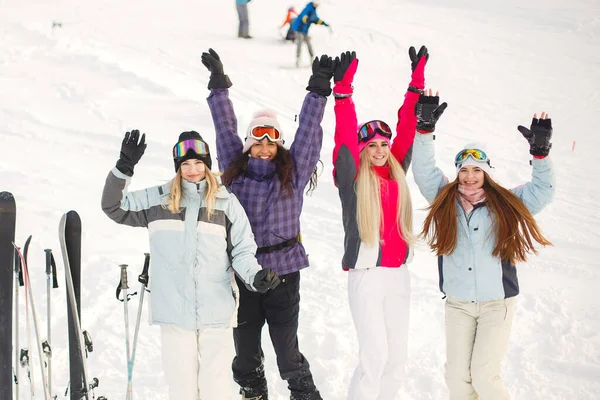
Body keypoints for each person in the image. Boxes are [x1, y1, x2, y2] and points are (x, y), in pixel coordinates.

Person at [101, 129, 281, 399]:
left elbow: (242, 251)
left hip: (216, 310)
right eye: (185, 164)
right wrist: (124, 168)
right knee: (182, 389)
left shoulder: (226, 204)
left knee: (216, 389)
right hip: (174, 311)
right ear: (178, 167)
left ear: (207, 165)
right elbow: (113, 206)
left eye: (198, 163)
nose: (192, 170)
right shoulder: (158, 200)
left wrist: (255, 276)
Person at [201, 47, 336, 400]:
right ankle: (253, 392)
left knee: (285, 345)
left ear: (279, 146)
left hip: (285, 271)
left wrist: (318, 91)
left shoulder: (292, 175)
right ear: (248, 146)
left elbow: (307, 135)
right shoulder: (235, 173)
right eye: (257, 142)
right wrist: (219, 86)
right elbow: (224, 130)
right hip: (244, 271)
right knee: (245, 346)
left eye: (270, 142)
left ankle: (303, 393)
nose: (263, 148)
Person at [411, 92, 555, 399]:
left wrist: (540, 155)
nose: (470, 176)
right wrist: (424, 131)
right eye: (464, 169)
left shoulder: (506, 203)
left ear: (487, 172)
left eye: (477, 169)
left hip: (495, 304)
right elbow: (423, 171)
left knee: (485, 377)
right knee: (456, 378)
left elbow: (543, 190)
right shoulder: (444, 199)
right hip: (459, 304)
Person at [331, 46, 429, 400]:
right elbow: (343, 137)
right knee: (374, 355)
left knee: (397, 358)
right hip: (366, 276)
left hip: (397, 276)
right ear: (361, 149)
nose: (379, 149)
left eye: (383, 144)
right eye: (371, 144)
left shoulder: (397, 173)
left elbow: (407, 129)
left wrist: (415, 86)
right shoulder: (353, 179)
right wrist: (343, 94)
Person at [291, 0, 329, 67]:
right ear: (315, 3)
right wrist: (304, 18)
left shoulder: (313, 11)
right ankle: (298, 59)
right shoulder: (308, 7)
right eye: (317, 4)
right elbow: (304, 14)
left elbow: (316, 19)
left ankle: (312, 59)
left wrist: (323, 23)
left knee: (309, 43)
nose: (318, 6)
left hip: (305, 30)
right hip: (299, 28)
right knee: (300, 43)